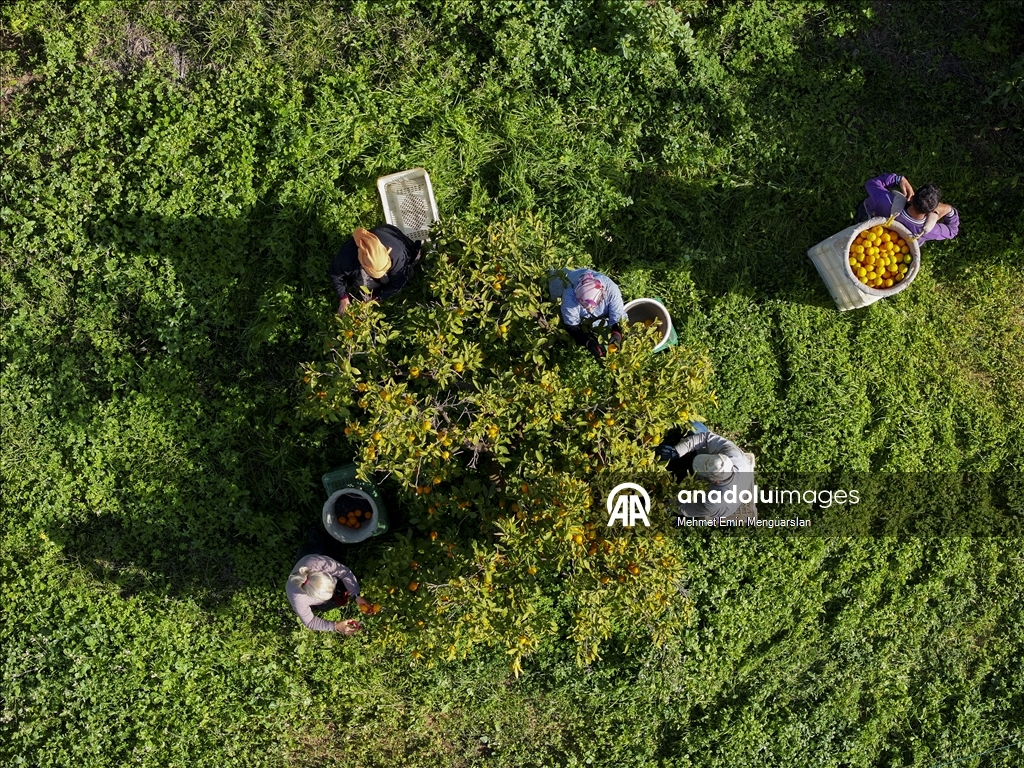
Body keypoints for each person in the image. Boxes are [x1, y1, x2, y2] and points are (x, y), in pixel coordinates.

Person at [655, 423, 755, 521]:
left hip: (720, 507)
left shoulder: (714, 500)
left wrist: (665, 498)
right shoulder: (733, 454)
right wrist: (677, 451)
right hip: (742, 476)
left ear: (714, 481)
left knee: (666, 504)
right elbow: (705, 438)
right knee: (696, 426)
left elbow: (685, 507)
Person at [286, 531, 370, 633]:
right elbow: (310, 622)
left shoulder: (319, 563)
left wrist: (356, 595)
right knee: (327, 605)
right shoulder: (297, 598)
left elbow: (344, 572)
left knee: (327, 544)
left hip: (312, 554)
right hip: (307, 562)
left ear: (323, 573)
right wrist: (336, 626)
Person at [329, 224, 420, 315]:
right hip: (384, 235)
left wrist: (375, 297)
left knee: (400, 276)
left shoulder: (398, 257)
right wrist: (343, 298)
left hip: (403, 247)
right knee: (359, 278)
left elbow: (397, 285)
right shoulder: (349, 253)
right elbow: (335, 273)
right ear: (361, 259)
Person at [854, 173, 959, 243]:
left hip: (870, 223)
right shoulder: (931, 231)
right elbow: (952, 231)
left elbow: (871, 184)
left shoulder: (886, 201)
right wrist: (950, 211)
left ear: (912, 197)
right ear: (932, 210)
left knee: (863, 213)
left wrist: (898, 179)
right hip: (897, 246)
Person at [548, 268, 627, 360]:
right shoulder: (569, 296)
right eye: (584, 305)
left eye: (592, 306)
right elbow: (572, 326)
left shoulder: (612, 291)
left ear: (602, 294)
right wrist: (588, 342)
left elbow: (617, 319)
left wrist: (617, 334)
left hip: (602, 295)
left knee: (623, 319)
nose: (589, 310)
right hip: (564, 284)